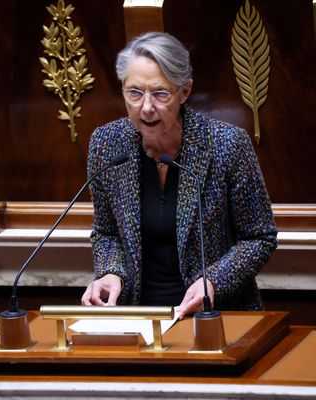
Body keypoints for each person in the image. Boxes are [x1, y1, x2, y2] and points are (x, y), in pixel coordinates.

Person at [81, 32, 277, 318]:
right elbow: (107, 232)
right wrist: (111, 272)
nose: (146, 107)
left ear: (184, 92)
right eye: (134, 92)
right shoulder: (107, 144)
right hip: (139, 318)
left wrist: (213, 280)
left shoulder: (225, 144)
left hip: (216, 316)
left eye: (160, 93)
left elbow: (260, 237)